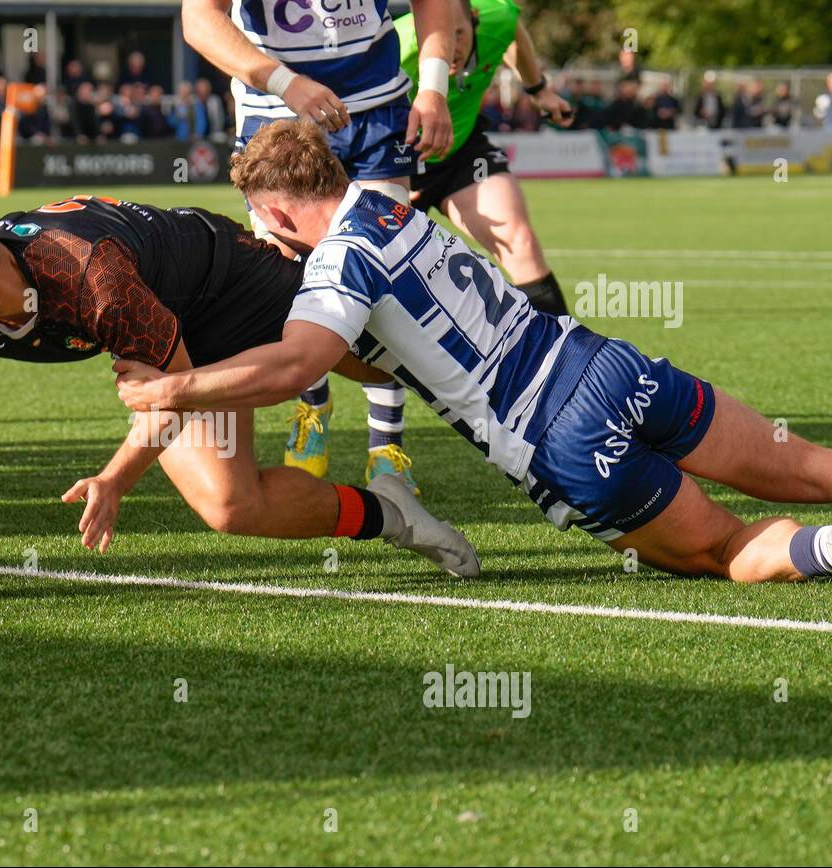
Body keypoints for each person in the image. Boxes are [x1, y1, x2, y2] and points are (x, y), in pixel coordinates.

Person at [115, 119, 832, 585]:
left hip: (556, 440)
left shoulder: (337, 265)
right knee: (805, 467)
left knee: (725, 552)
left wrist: (167, 392)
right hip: (608, 366)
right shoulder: (386, 200)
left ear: (273, 212)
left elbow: (296, 367)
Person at [0, 200, 479, 597]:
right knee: (230, 504)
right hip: (164, 343)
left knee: (403, 365)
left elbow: (171, 395)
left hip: (228, 288)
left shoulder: (90, 276)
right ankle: (391, 516)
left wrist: (114, 479)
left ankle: (525, 391)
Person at [182, 0, 455, 494]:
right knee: (286, 282)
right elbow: (199, 18)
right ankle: (312, 402)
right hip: (274, 112)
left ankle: (386, 446)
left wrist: (434, 87)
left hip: (375, 109)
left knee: (382, 280)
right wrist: (286, 82)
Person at [401, 0, 574, 370]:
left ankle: (566, 367)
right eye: (439, 38)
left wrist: (538, 89)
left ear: (474, 21)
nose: (450, 48)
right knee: (380, 287)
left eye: (458, 34)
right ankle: (321, 397)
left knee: (518, 240)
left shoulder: (497, 16)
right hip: (393, 164)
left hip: (462, 155)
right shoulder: (398, 46)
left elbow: (513, 32)